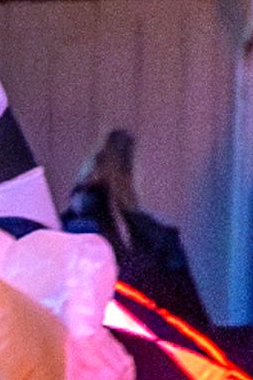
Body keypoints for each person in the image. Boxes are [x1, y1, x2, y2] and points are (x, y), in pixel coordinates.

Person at [59, 129, 213, 332]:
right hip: (144, 344)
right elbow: (193, 320)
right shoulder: (155, 242)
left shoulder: (62, 232)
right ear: (132, 176)